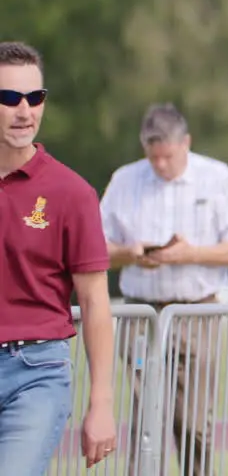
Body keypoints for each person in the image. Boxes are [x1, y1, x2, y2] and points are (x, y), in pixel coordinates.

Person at [101, 102, 228, 476]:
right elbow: (97, 249)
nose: (160, 165)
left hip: (196, 314)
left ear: (185, 143)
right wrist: (130, 253)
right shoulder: (125, 180)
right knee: (144, 409)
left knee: (193, 419)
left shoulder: (217, 178)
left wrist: (190, 254)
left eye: (167, 156)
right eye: (153, 157)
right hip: (141, 317)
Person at [0, 41, 117, 473]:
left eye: (35, 97)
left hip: (36, 371)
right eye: (9, 98)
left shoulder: (72, 194)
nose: (24, 111)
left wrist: (101, 404)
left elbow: (94, 302)